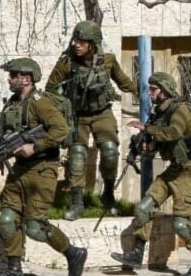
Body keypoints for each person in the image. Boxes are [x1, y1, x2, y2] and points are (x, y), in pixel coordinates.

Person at [0, 58, 88, 276]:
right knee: (7, 217)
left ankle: (73, 253)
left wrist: (35, 146)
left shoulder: (40, 103)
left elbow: (61, 130)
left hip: (41, 170)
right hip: (20, 170)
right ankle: (14, 269)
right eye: (10, 75)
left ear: (27, 78)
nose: (9, 79)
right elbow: (11, 134)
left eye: (13, 75)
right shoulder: (13, 103)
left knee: (35, 227)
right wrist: (3, 157)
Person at [111, 72, 191, 276]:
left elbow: (173, 133)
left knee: (181, 223)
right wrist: (142, 147)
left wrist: (146, 127)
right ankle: (136, 254)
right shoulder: (161, 113)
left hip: (189, 172)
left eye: (154, 89)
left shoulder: (180, 110)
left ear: (165, 91)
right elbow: (159, 141)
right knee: (143, 208)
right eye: (150, 88)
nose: (150, 93)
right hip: (174, 170)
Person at [45, 20, 138, 221]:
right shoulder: (66, 63)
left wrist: (145, 94)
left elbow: (123, 82)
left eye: (82, 41)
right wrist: (64, 107)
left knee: (110, 151)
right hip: (77, 115)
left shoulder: (108, 61)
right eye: (75, 40)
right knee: (77, 155)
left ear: (93, 43)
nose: (76, 44)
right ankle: (77, 203)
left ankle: (109, 195)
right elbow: (50, 89)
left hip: (102, 112)